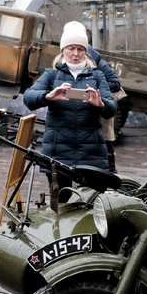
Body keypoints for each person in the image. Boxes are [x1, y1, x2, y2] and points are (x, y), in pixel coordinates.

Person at [23, 21, 116, 193]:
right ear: (62, 50)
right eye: (71, 48)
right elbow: (28, 98)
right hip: (58, 151)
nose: (75, 54)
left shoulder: (97, 75)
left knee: (91, 202)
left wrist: (101, 104)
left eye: (80, 49)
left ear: (86, 52)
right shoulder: (51, 75)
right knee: (61, 201)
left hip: (91, 152)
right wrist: (48, 96)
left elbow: (112, 108)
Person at [86, 30, 122, 173]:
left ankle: (112, 172)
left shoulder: (97, 60)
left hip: (103, 105)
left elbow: (115, 83)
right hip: (90, 107)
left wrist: (99, 89)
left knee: (106, 140)